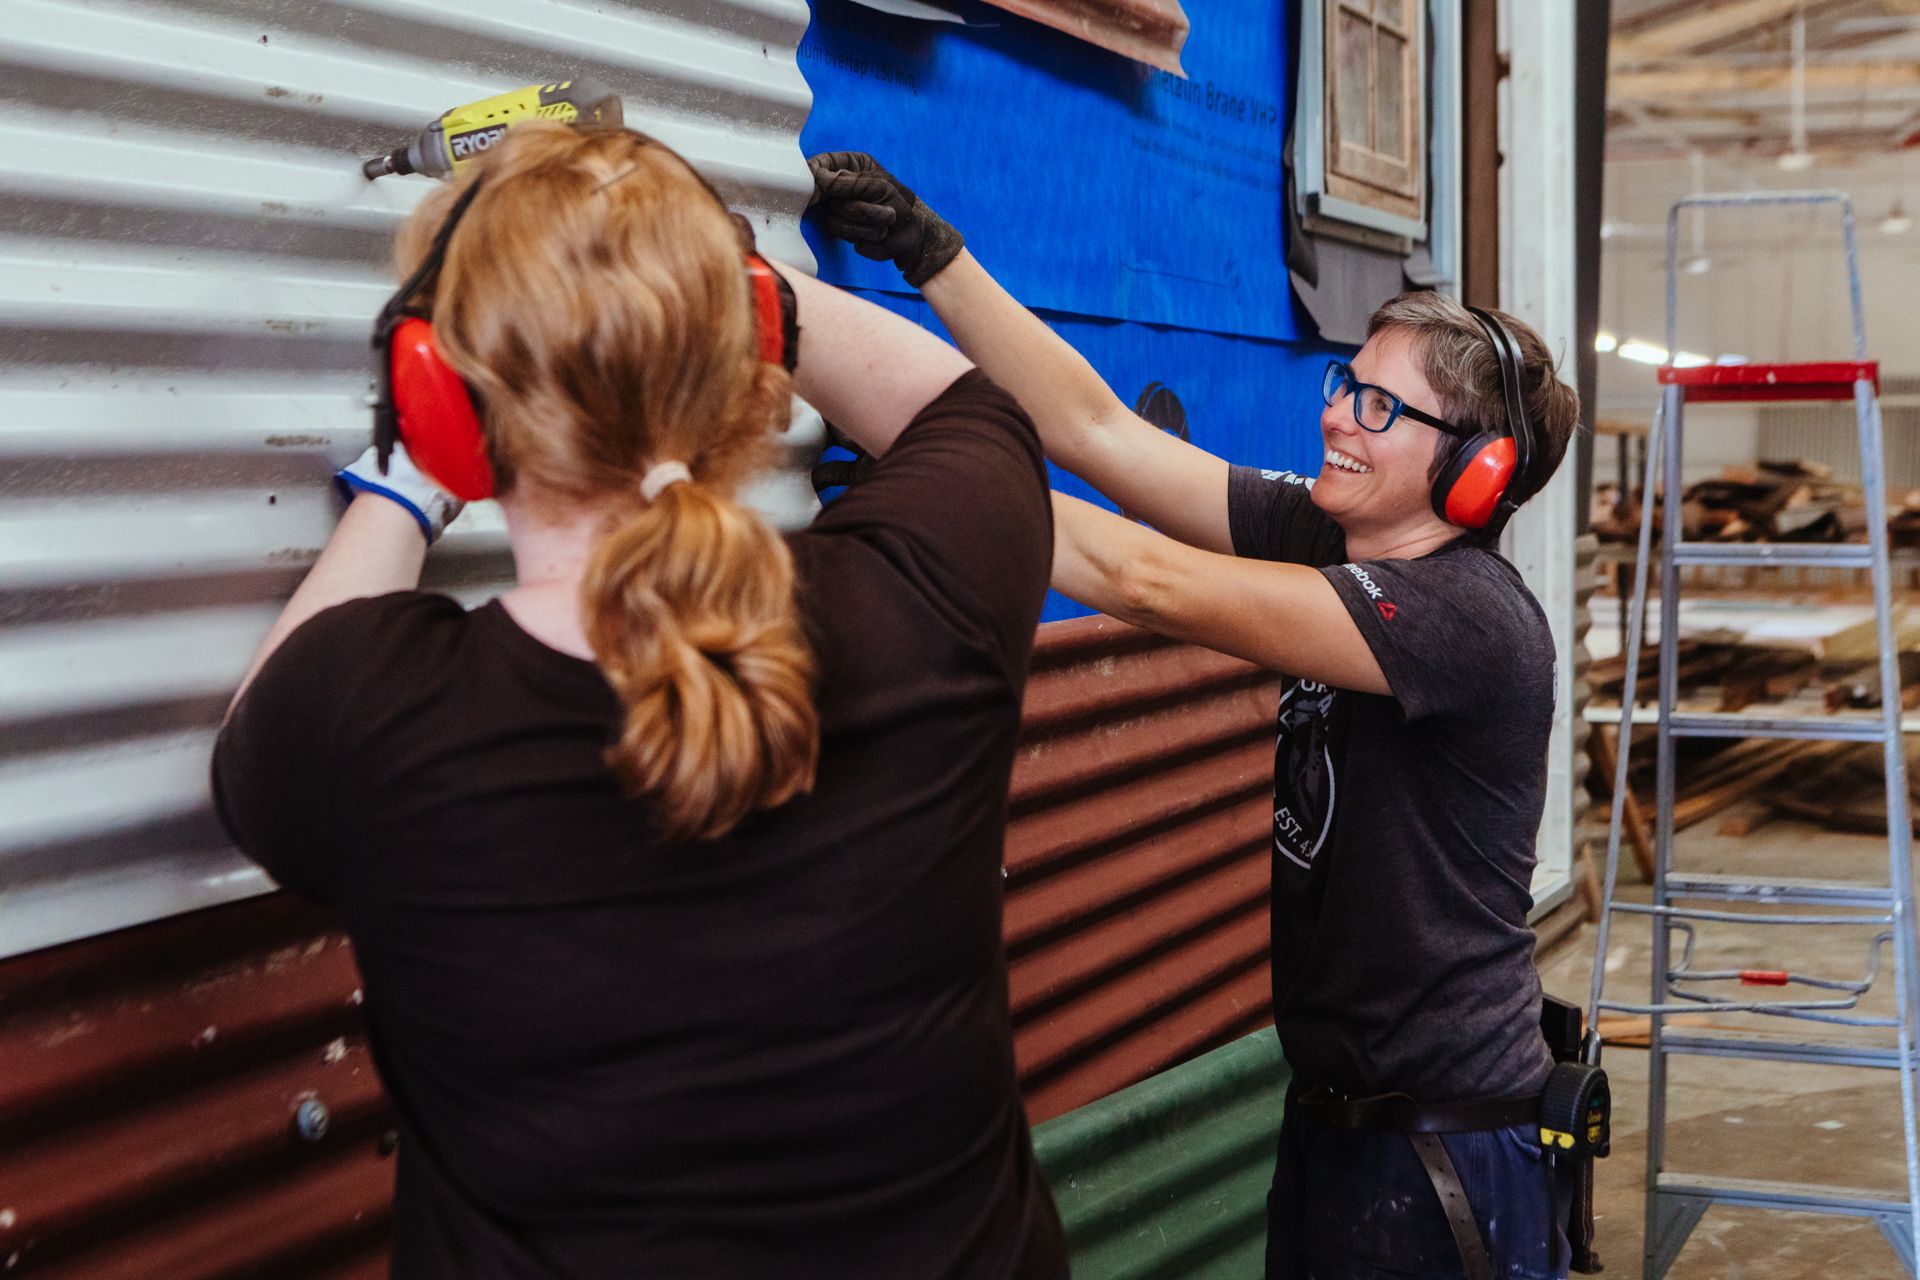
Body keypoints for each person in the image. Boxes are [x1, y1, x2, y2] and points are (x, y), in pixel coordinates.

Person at [212, 124, 1067, 1279]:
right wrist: (739, 284)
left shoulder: (368, 720)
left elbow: (263, 727)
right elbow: (970, 411)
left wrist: (405, 493)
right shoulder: (928, 603)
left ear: (442, 402)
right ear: (748, 360)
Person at [808, 151, 1584, 1280]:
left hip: (1449, 1151)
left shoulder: (1468, 620)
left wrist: (930, 484)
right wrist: (934, 256)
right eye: (1342, 384)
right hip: (1342, 1121)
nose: (1338, 420)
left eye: (1379, 407)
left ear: (1476, 470)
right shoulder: (1336, 532)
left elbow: (1147, 581)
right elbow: (1098, 431)